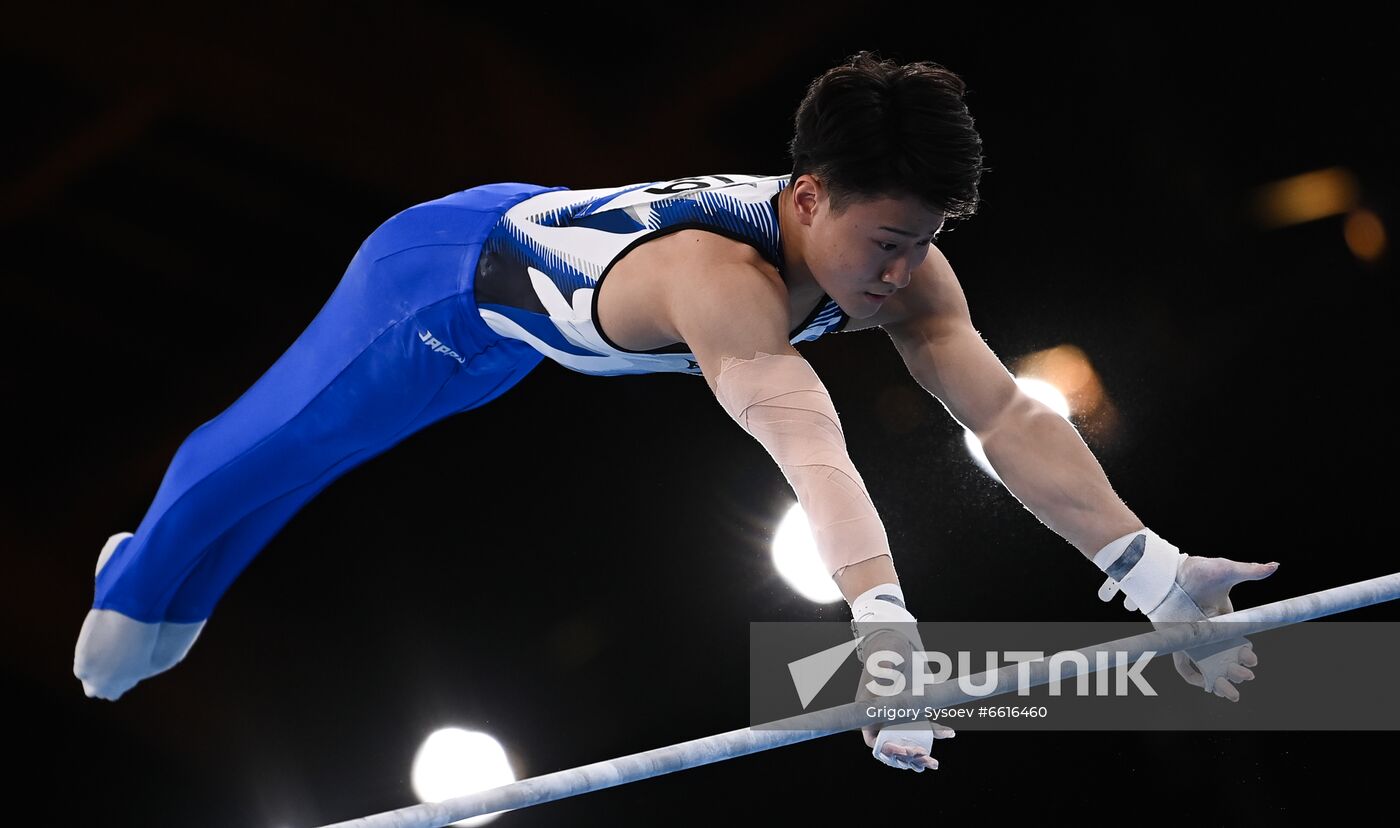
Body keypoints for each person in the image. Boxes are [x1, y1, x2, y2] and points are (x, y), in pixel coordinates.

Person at [73, 50, 1279, 773]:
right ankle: (134, 580)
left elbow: (1006, 419)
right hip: (432, 287)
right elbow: (804, 434)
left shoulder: (903, 268)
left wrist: (1150, 568)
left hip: (520, 328)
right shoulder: (721, 282)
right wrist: (881, 624)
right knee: (271, 462)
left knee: (315, 466)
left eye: (923, 242)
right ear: (806, 198)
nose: (904, 271)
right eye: (886, 241)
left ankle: (158, 596)